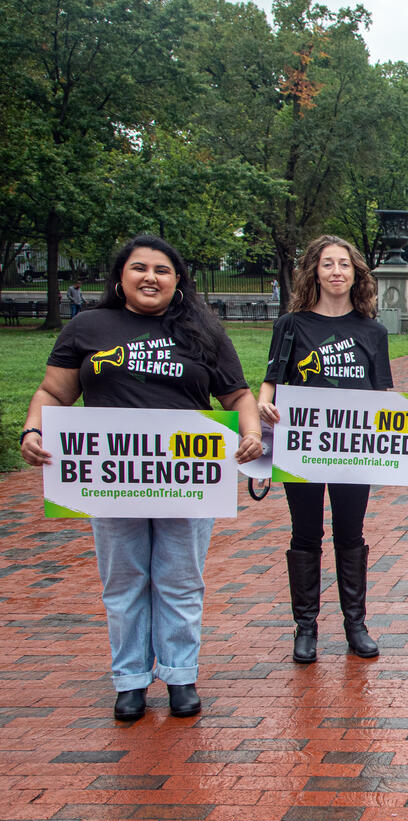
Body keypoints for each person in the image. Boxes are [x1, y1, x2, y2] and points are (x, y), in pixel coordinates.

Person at [19, 234, 262, 721]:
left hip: (188, 476)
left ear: (177, 282)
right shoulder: (88, 326)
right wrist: (32, 429)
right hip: (111, 475)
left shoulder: (202, 330)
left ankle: (180, 675)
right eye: (139, 268)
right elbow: (53, 392)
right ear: (120, 278)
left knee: (180, 579)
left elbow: (236, 396)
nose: (150, 277)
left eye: (162, 270)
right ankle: (129, 680)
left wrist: (251, 432)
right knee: (125, 578)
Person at [257, 235, 392, 663]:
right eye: (328, 264)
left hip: (353, 448)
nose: (337, 271)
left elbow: (383, 392)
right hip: (303, 447)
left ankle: (356, 624)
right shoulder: (291, 325)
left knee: (351, 533)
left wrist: (407, 418)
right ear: (314, 270)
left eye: (345, 264)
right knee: (305, 532)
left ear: (357, 274)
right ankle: (306, 627)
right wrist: (263, 402)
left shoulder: (373, 331)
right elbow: (272, 381)